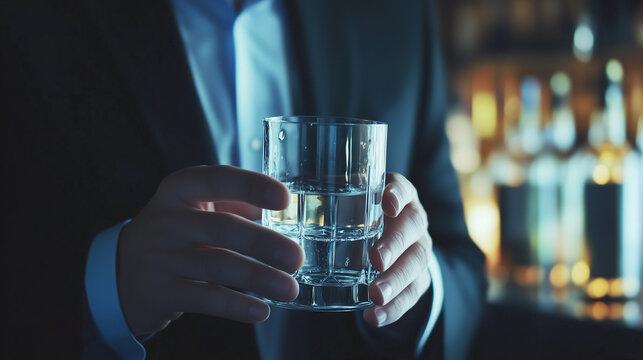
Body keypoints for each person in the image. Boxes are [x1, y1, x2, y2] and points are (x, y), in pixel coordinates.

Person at [1, 0, 487, 359]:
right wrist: (110, 291)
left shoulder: (396, 15)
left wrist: (413, 285)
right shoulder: (33, 20)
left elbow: (456, 258)